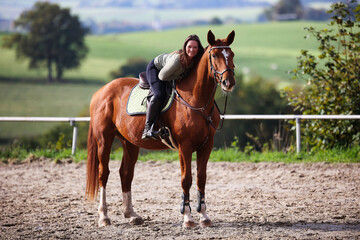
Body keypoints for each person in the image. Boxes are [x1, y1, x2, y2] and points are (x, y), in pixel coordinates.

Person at [142, 34, 205, 140]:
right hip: (156, 70)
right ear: (185, 47)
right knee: (159, 94)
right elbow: (162, 76)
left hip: (170, 72)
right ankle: (147, 129)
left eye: (195, 47)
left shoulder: (196, 59)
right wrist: (182, 75)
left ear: (198, 49)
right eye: (189, 47)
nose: (192, 50)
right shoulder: (178, 60)